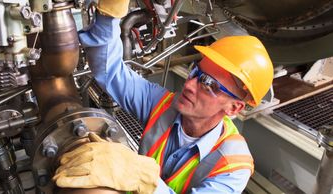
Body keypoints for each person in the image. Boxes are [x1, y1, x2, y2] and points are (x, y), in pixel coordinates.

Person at [53, 1, 274, 193]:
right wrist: (109, 14)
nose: (189, 85)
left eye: (208, 85)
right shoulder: (163, 104)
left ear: (234, 108)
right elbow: (110, 71)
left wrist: (143, 178)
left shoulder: (233, 166)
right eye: (196, 72)